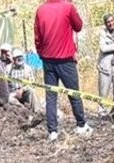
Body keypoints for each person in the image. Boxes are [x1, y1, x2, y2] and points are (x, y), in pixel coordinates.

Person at [34, 0, 92, 141]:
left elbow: (37, 36)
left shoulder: (40, 10)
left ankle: (52, 131)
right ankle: (81, 125)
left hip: (48, 60)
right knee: (74, 93)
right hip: (66, 59)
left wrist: (41, 53)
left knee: (51, 97)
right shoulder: (68, 7)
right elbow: (78, 26)